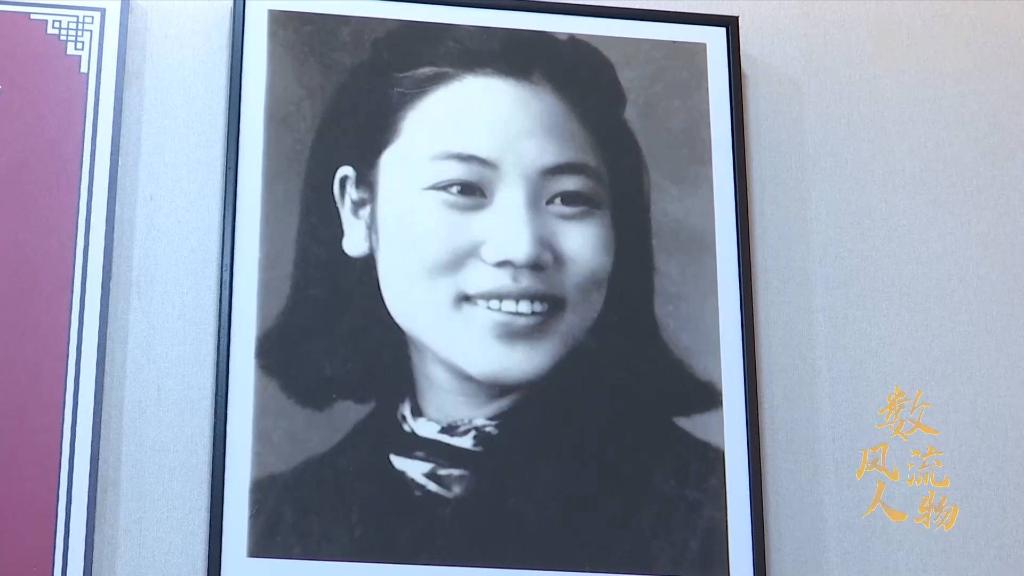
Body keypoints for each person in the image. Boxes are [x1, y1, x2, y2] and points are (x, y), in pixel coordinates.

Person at [250, 20, 727, 576]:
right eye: (463, 189)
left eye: (570, 198)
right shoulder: (272, 521)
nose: (521, 248)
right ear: (358, 209)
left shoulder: (713, 515)